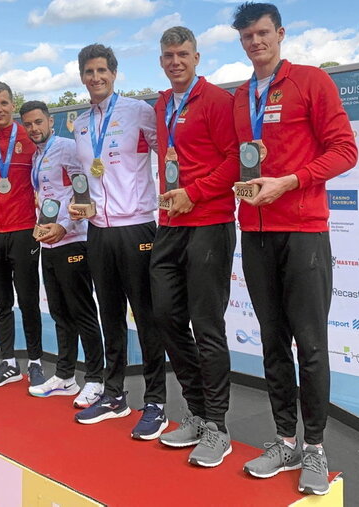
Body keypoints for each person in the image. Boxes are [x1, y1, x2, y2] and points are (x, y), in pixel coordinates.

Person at [231, 2, 358, 495]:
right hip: (255, 231)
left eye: (262, 33)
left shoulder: (311, 81)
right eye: (247, 36)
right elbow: (236, 162)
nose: (255, 42)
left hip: (303, 230)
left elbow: (345, 149)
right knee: (271, 341)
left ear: (280, 34)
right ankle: (284, 439)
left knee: (310, 343)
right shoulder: (241, 96)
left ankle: (316, 449)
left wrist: (290, 181)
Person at [150, 26, 240, 467]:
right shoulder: (162, 104)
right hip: (169, 221)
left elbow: (234, 160)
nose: (175, 61)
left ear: (197, 57)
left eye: (182, 54)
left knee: (206, 325)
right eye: (168, 55)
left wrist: (196, 192)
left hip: (210, 222)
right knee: (166, 314)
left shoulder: (219, 101)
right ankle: (198, 410)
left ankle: (217, 426)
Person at [68, 43, 168, 440]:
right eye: (89, 72)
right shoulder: (78, 124)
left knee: (146, 316)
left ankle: (157, 401)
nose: (96, 78)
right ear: (82, 77)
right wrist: (79, 208)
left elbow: (172, 154)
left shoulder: (139, 112)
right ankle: (114, 395)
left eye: (102, 71)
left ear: (114, 73)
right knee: (109, 314)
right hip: (98, 231)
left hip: (138, 227)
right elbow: (84, 178)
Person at [20, 100, 105, 407]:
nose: (34, 129)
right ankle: (66, 376)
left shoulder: (68, 148)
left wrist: (66, 225)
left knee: (82, 312)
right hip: (49, 242)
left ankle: (95, 379)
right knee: (59, 311)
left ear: (50, 121)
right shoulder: (37, 155)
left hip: (74, 240)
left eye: (38, 122)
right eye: (28, 124)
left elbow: (84, 191)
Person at [0, 82, 45, 390]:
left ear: (12, 105)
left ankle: (36, 362)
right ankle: (8, 363)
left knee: (28, 301)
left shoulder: (29, 141)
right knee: (1, 302)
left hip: (23, 232)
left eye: (4, 103)